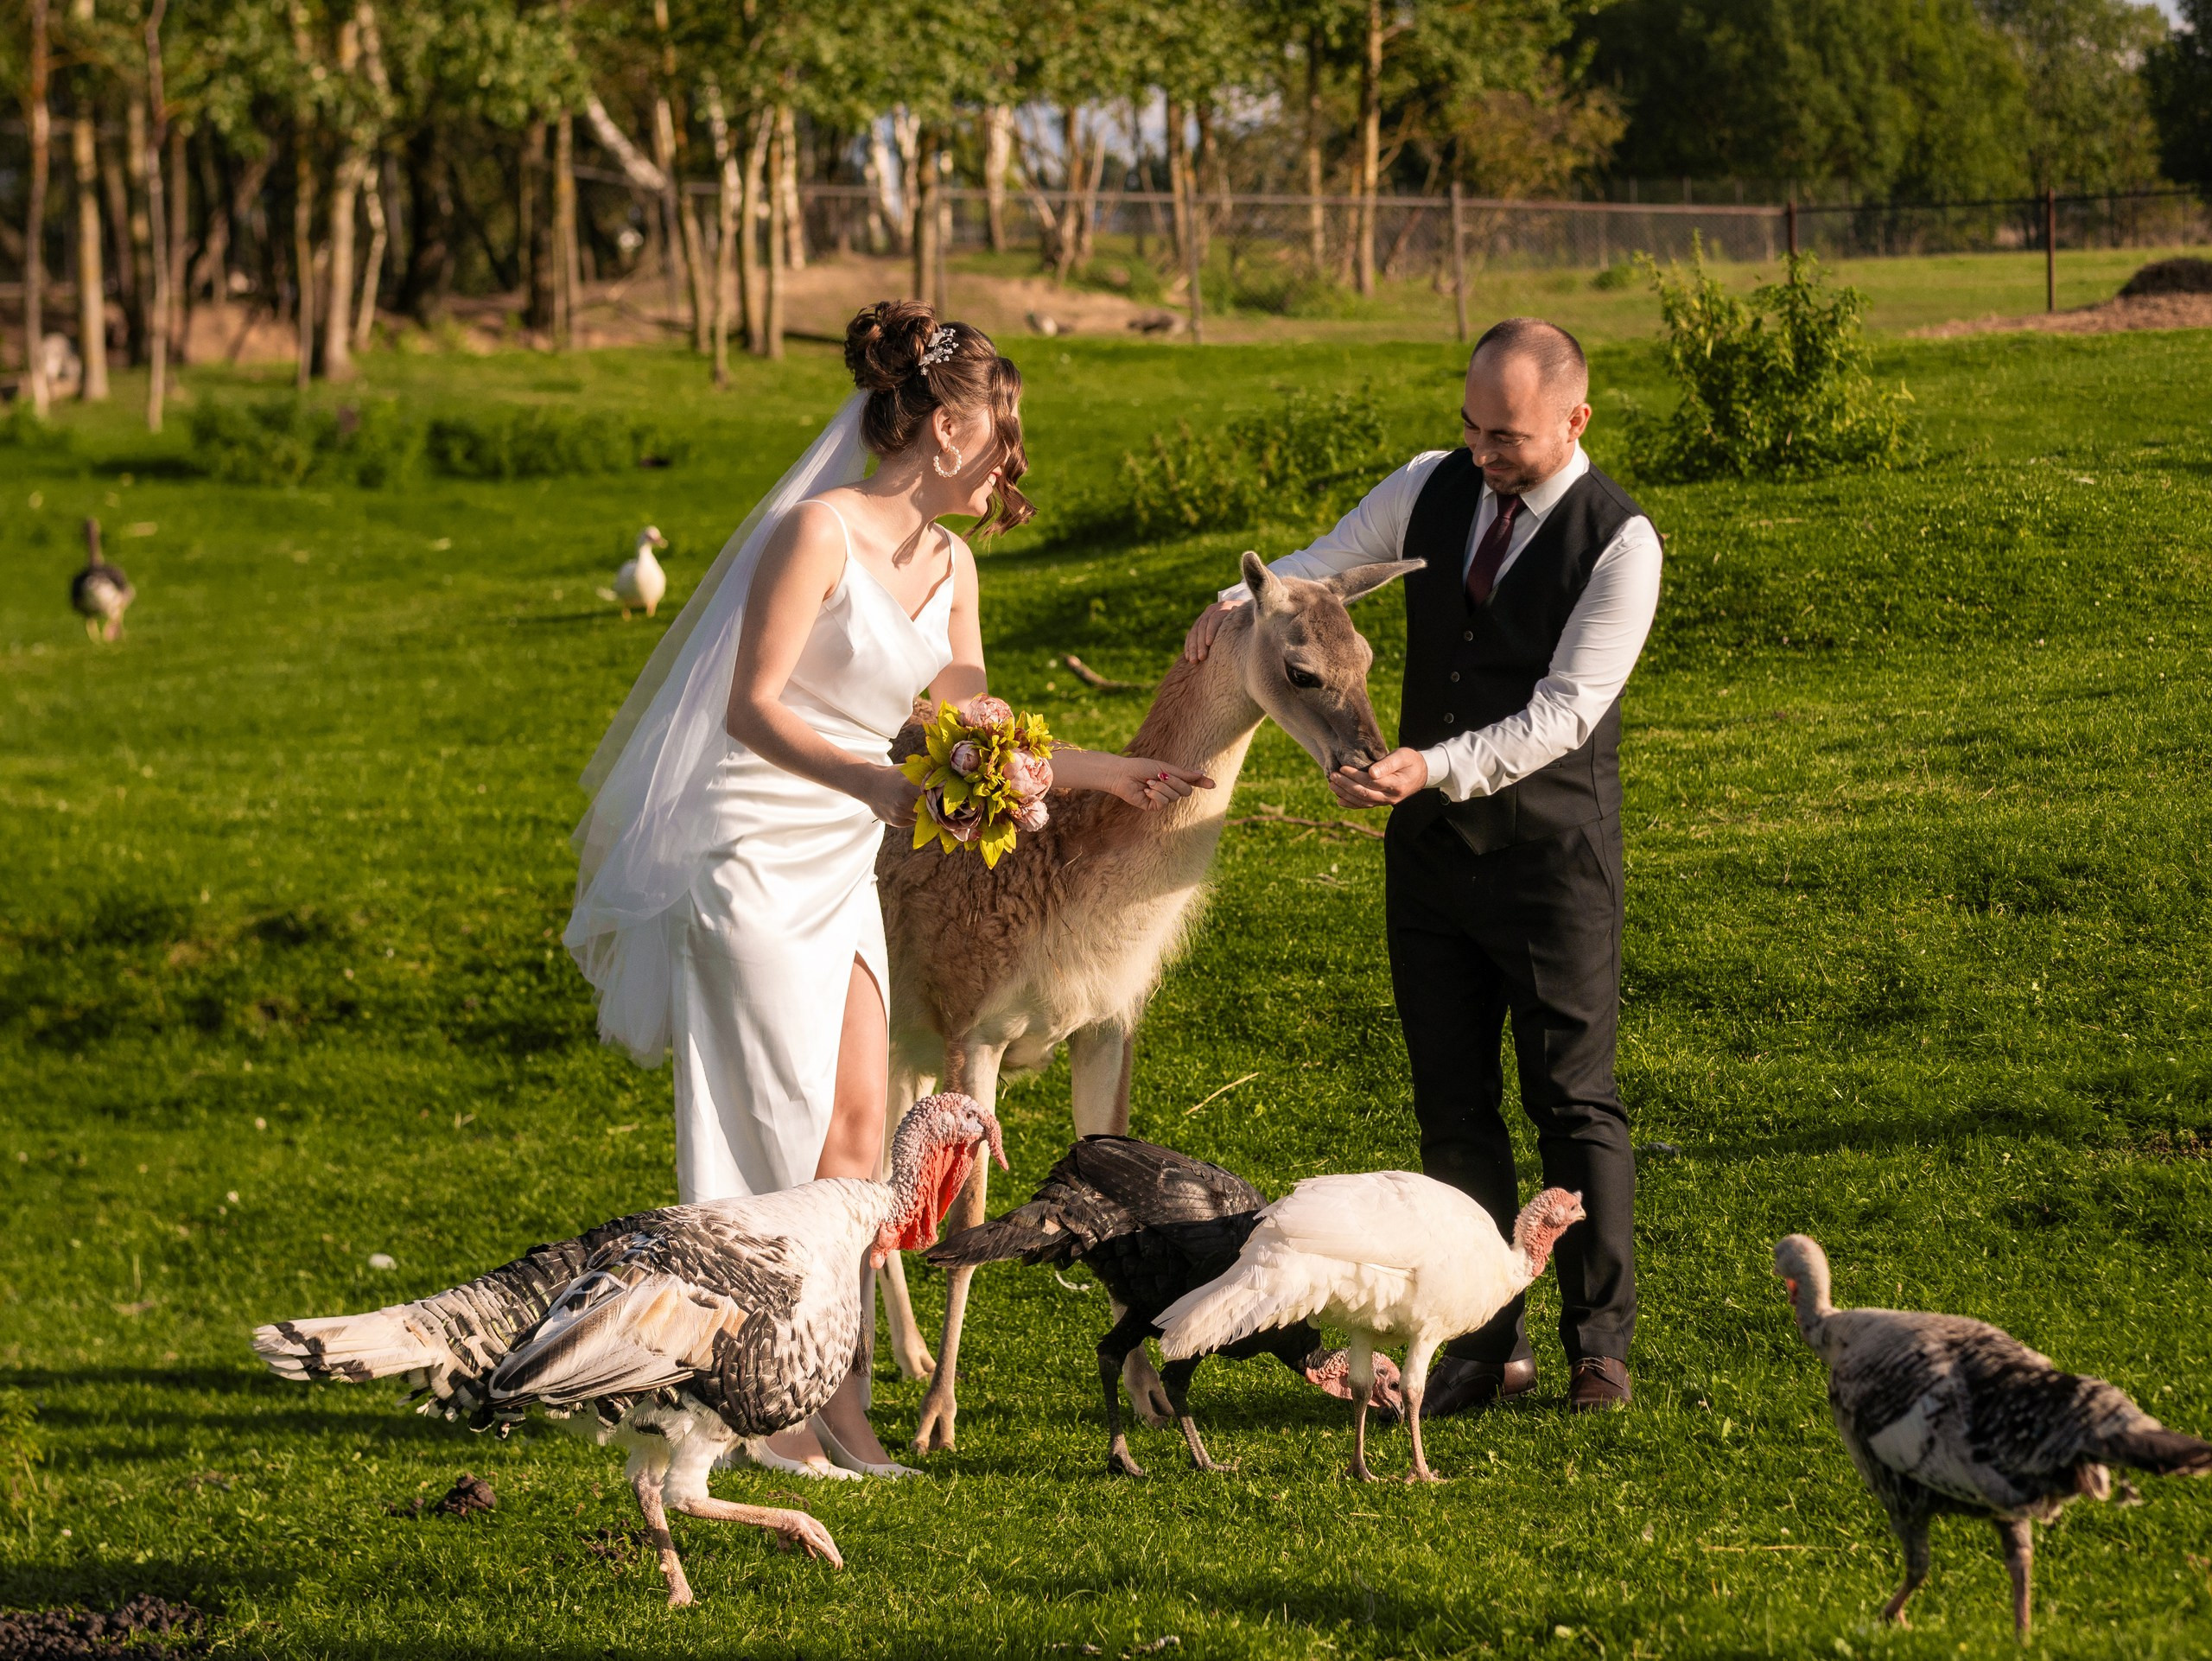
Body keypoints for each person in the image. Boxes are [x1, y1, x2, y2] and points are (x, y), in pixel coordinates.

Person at [567, 301, 1212, 1475]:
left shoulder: (953, 561)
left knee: (865, 1142)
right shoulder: (817, 533)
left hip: (846, 858)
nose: (1012, 458)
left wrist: (1109, 772)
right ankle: (765, 1406)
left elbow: (973, 725)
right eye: (1005, 432)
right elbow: (750, 706)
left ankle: (840, 1405)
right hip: (756, 850)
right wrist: (878, 786)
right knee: (775, 1128)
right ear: (952, 426)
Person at [1185, 316, 1661, 1414]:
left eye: (1509, 437)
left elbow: (1565, 712)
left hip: (1551, 860)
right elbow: (1308, 575)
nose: (1483, 453)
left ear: (1575, 419)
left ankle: (1600, 1346)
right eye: (1472, 427)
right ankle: (1482, 1343)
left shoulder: (1619, 542)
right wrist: (1228, 610)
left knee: (1571, 1102)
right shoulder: (1429, 485)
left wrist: (1427, 765)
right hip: (1430, 857)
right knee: (1453, 1110)